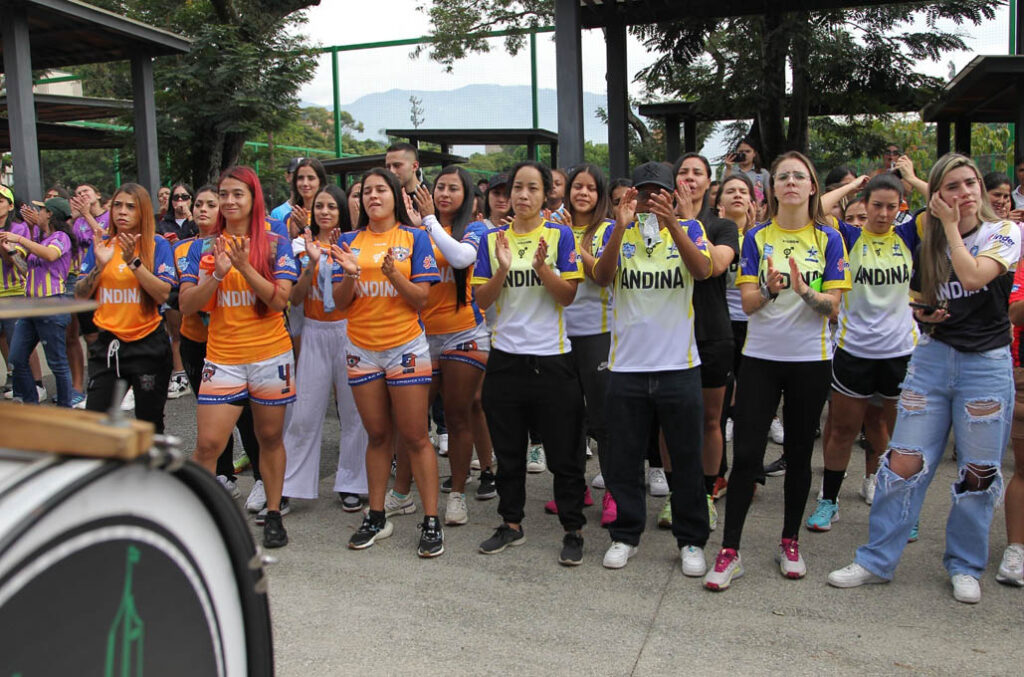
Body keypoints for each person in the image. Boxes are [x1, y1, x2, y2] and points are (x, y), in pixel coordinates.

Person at [828, 153, 1020, 604]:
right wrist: (923, 311)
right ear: (937, 195)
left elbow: (973, 278)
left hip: (986, 366)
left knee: (977, 472)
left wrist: (948, 228)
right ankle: (876, 560)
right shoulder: (921, 237)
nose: (964, 193)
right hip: (932, 358)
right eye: (952, 187)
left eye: (970, 183)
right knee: (902, 463)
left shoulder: (1004, 232)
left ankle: (964, 565)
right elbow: (921, 296)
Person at [705, 151, 851, 591]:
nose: (790, 182)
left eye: (799, 176)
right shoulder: (756, 238)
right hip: (761, 360)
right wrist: (769, 289)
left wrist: (805, 289)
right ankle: (730, 551)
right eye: (782, 176)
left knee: (800, 456)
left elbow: (832, 309)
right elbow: (747, 304)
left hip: (811, 360)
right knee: (747, 455)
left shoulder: (829, 239)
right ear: (772, 189)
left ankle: (789, 541)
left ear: (812, 187)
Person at [592, 161, 713, 572]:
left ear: (673, 196)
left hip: (679, 366)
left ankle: (691, 539)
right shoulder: (615, 231)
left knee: (686, 457)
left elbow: (703, 270)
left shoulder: (692, 230)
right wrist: (622, 227)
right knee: (625, 457)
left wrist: (675, 224)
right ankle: (626, 535)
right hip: (626, 366)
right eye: (643, 193)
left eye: (659, 193)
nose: (650, 200)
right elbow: (602, 277)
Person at [471, 161, 586, 566]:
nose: (522, 195)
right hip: (505, 360)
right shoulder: (491, 240)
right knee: (509, 450)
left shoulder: (560, 236)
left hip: (553, 360)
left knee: (564, 454)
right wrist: (503, 269)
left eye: (532, 188)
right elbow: (481, 302)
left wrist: (541, 268)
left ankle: (573, 528)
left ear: (545, 195)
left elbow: (568, 296)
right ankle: (511, 523)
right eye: (517, 188)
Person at [179, 166, 297, 549]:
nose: (229, 202)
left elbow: (280, 300)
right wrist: (216, 275)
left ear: (253, 199)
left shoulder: (277, 243)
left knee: (268, 438)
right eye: (224, 194)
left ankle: (275, 513)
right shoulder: (204, 246)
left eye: (237, 194)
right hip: (223, 357)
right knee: (208, 444)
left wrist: (244, 267)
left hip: (270, 355)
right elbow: (186, 305)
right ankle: (199, 519)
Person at [330, 167, 443, 557]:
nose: (373, 197)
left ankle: (431, 520)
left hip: (405, 348)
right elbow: (341, 303)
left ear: (397, 196)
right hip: (361, 349)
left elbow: (422, 299)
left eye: (381, 190)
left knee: (414, 436)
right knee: (377, 436)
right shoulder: (347, 240)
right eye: (366, 192)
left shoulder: (415, 238)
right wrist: (348, 275)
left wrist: (394, 274)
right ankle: (376, 515)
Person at [806, 174, 918, 532]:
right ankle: (829, 501)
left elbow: (944, 205)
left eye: (892, 206)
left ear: (901, 207)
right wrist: (850, 189)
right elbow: (814, 209)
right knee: (841, 430)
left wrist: (913, 179)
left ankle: (902, 508)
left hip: (901, 352)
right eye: (876, 206)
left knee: (903, 437)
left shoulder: (908, 235)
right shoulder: (850, 237)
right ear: (865, 206)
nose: (883, 214)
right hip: (854, 350)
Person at [409, 166, 494, 522]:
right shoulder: (416, 230)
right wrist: (421, 225)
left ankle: (458, 491)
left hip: (464, 333)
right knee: (414, 421)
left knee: (460, 413)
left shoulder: (473, 229)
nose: (444, 194)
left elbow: (461, 258)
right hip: (419, 336)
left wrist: (428, 220)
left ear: (468, 196)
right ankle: (403, 491)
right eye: (440, 187)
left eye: (453, 189)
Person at [173, 185, 263, 501]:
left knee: (249, 417)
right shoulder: (185, 249)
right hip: (197, 342)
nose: (203, 209)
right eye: (198, 204)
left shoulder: (249, 244)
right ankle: (222, 474)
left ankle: (262, 477)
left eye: (211, 204)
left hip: (236, 344)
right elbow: (182, 298)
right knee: (212, 419)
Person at [282, 184, 369, 512]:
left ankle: (351, 482)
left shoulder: (353, 244)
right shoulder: (300, 246)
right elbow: (294, 298)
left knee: (354, 412)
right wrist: (310, 263)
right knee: (304, 412)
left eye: (332, 206)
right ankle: (291, 483)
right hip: (315, 333)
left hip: (349, 331)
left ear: (342, 211)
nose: (325, 212)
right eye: (320, 206)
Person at [673, 153, 740, 535]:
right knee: (672, 421)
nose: (690, 178)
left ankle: (706, 492)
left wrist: (687, 223)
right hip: (669, 334)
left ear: (709, 184)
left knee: (711, 420)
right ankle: (675, 493)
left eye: (698, 173)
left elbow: (714, 264)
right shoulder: (659, 226)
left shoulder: (722, 226)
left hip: (711, 333)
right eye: (683, 172)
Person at [74, 184, 176, 429]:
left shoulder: (157, 245)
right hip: (107, 347)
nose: (122, 211)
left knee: (149, 424)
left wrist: (134, 263)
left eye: (131, 206)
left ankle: (151, 468)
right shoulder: (102, 245)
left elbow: (164, 294)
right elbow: (79, 296)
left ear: (142, 211)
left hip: (148, 346)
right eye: (117, 205)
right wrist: (99, 267)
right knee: (96, 423)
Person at [549, 164, 612, 524]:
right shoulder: (553, 228)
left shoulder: (608, 229)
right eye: (577, 187)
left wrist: (569, 240)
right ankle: (574, 489)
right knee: (567, 418)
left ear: (599, 194)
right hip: (559, 336)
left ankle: (615, 491)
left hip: (599, 334)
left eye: (590, 188)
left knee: (604, 419)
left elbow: (602, 275)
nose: (582, 193)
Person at [1, 196, 74, 406]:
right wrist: (11, 252)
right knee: (16, 358)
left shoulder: (61, 237)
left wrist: (20, 240)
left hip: (51, 304)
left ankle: (65, 408)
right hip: (31, 305)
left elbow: (51, 256)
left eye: (41, 210)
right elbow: (26, 269)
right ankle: (31, 404)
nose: (37, 213)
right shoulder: (41, 239)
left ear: (50, 214)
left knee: (57, 363)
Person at [158, 182, 197, 400]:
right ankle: (180, 375)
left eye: (184, 197)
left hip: (196, 282)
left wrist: (191, 218)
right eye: (176, 197)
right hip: (174, 282)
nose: (180, 202)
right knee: (175, 331)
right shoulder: (164, 224)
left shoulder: (197, 221)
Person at [723, 138, 772, 206]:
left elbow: (770, 196)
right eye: (741, 152)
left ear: (754, 153)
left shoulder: (763, 173)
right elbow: (724, 190)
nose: (744, 154)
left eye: (747, 151)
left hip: (757, 211)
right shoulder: (729, 171)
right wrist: (728, 169)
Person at [270, 157, 304, 222]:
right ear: (287, 177)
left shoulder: (318, 210)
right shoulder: (277, 213)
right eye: (296, 175)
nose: (302, 180)